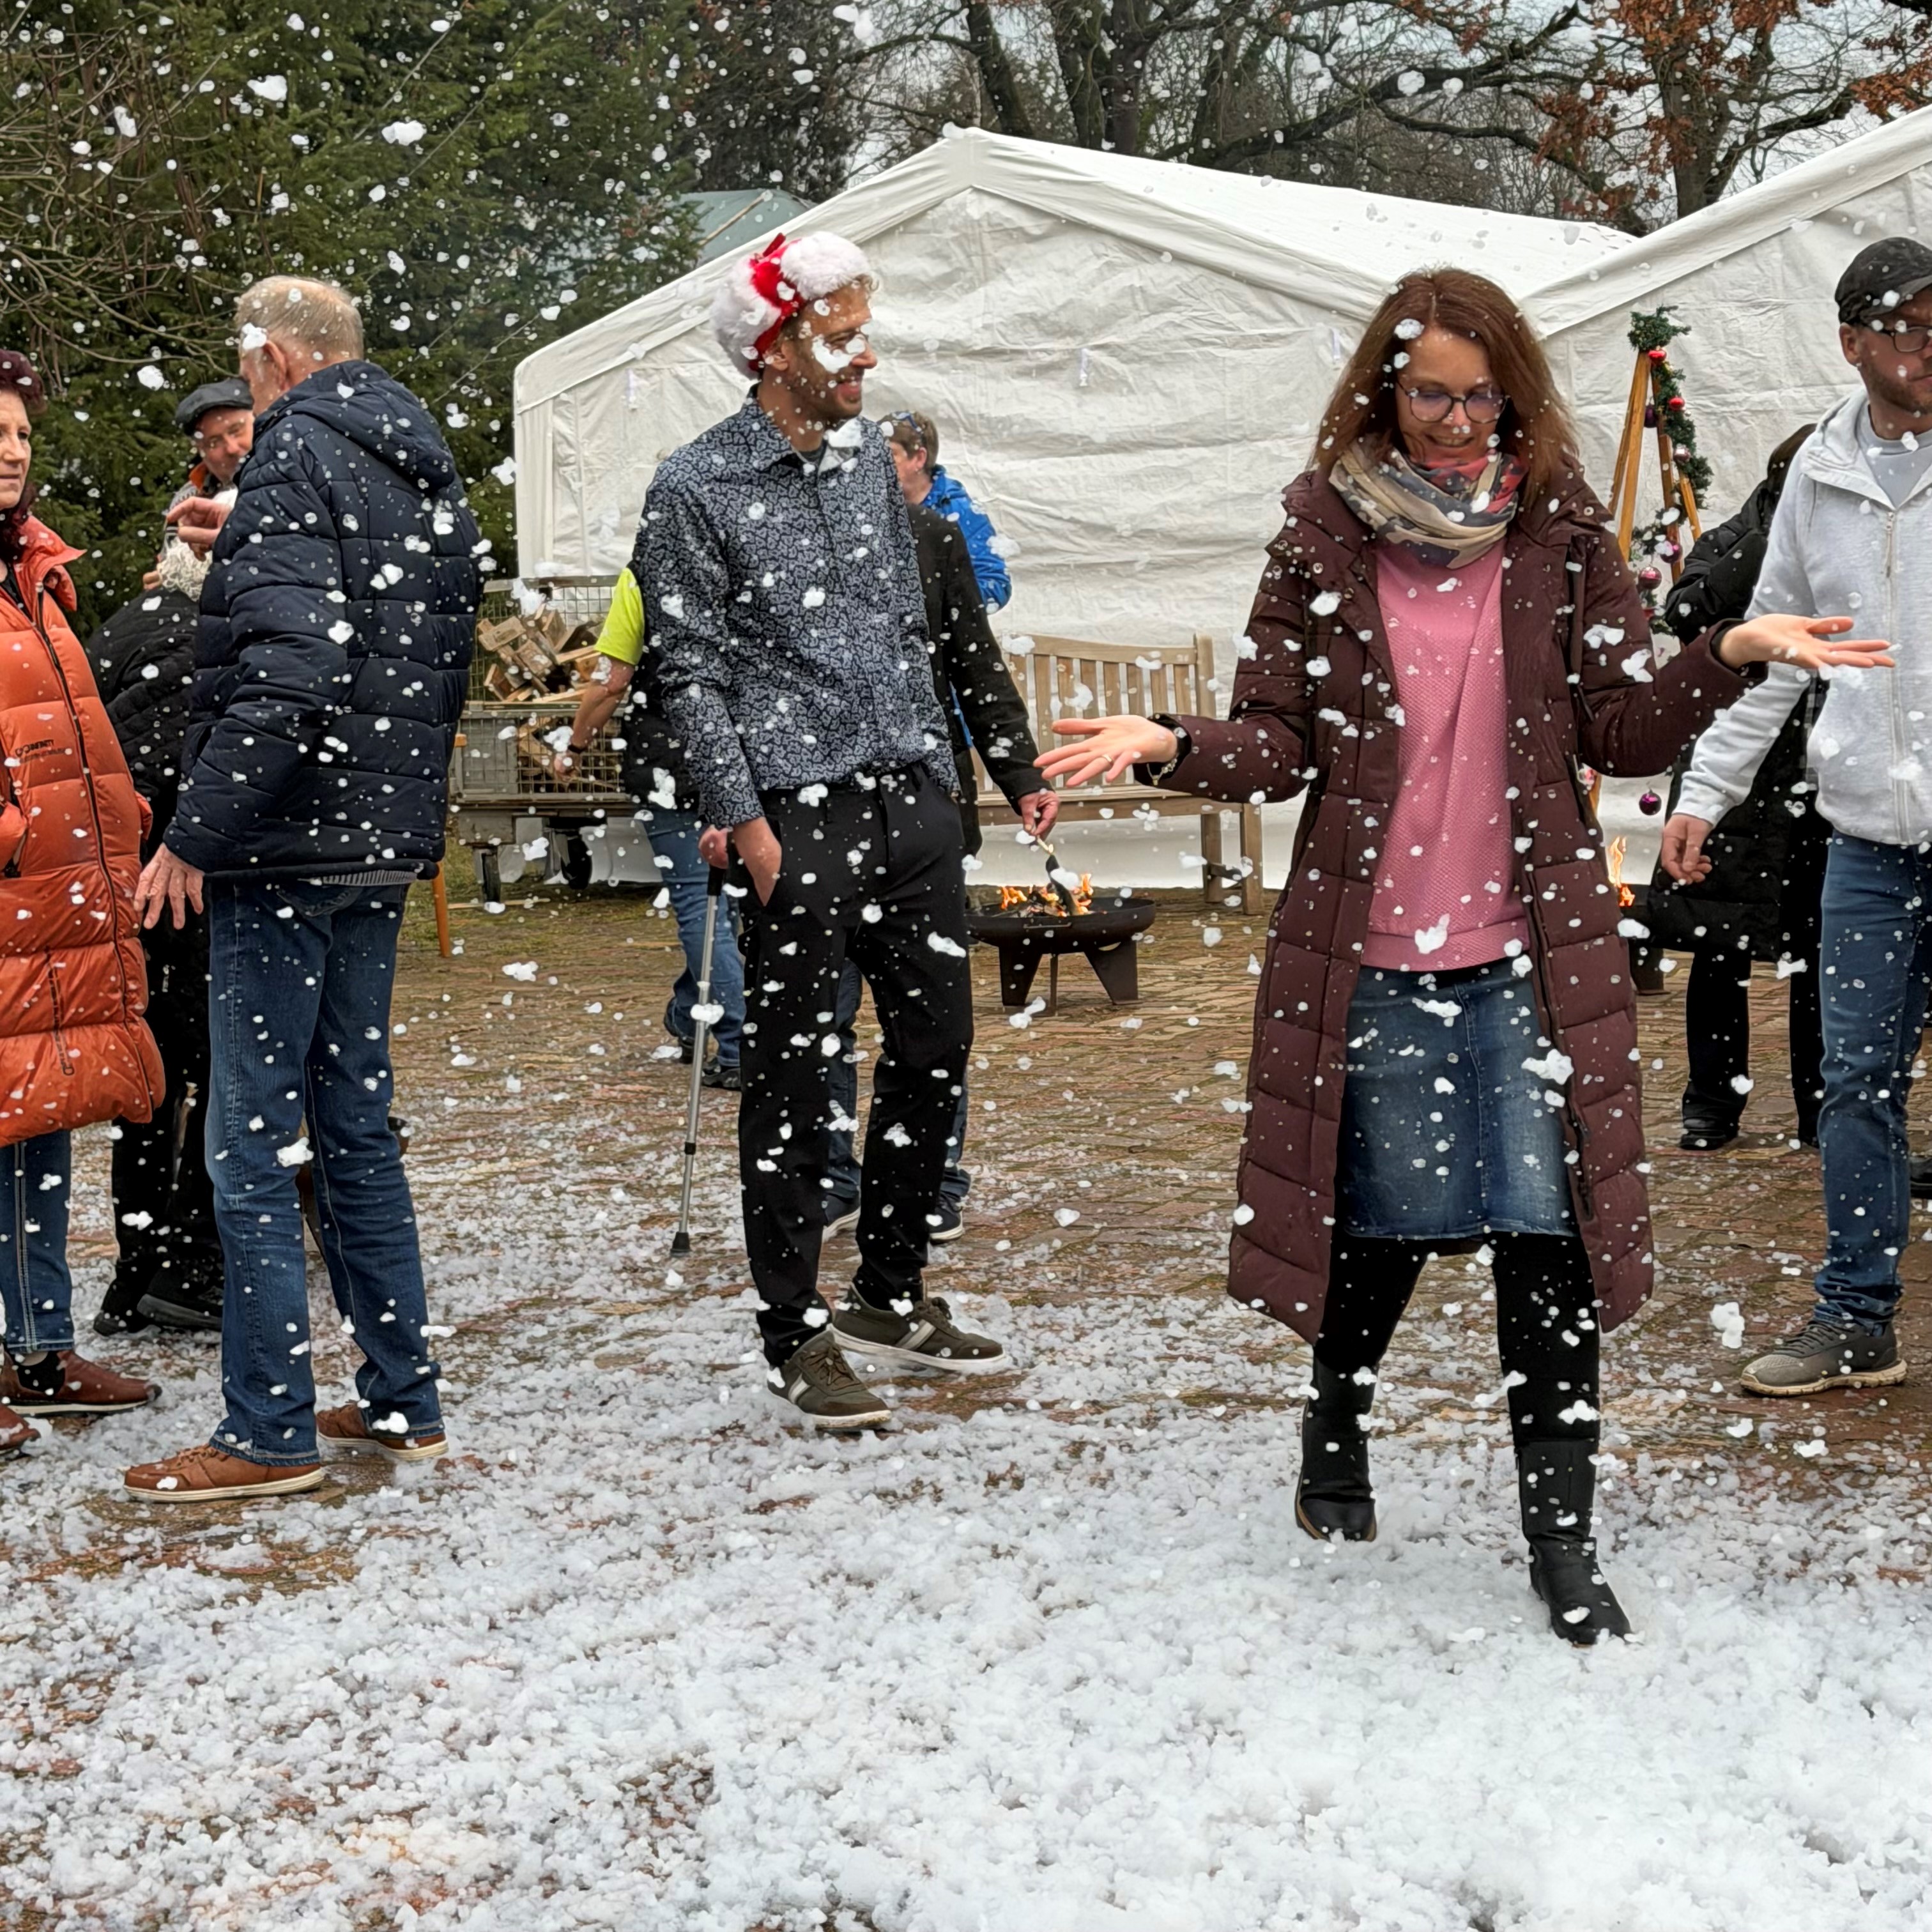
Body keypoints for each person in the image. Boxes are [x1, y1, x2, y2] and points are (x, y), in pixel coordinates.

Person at [1037, 269, 1883, 1643]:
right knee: (1380, 1228)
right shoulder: (1320, 539)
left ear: (1514, 394)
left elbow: (1622, 728)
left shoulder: (1558, 533)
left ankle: (1562, 1544)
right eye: (1429, 390)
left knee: (1541, 1238)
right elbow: (1277, 743)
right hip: (1368, 954)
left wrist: (1730, 650)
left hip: (1525, 956)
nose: (1455, 419)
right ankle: (1335, 1426)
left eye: (1480, 392)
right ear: (1386, 386)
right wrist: (1173, 745)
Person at [121, 277, 482, 1502]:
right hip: (376, 839)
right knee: (354, 1126)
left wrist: (193, 836)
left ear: (272, 357)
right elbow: (403, 636)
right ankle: (399, 1395)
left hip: (283, 847)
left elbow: (291, 670)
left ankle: (267, 1426)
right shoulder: (413, 459)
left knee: (249, 1145)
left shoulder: (289, 460)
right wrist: (247, 551)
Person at [645, 231, 1007, 1431]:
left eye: (864, 328)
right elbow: (683, 671)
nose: (863, 355)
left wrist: (955, 775)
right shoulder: (695, 486)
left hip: (911, 802)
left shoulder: (866, 465)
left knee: (933, 1046)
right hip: (794, 819)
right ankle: (791, 1323)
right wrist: (739, 817)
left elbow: (913, 624)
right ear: (772, 345)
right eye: (838, 332)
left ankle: (889, 1289)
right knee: (799, 1071)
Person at [1662, 237, 1932, 1400]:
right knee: (1853, 1079)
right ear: (1853, 342)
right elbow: (1772, 657)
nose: (1928, 345)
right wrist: (1704, 792)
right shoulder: (1815, 475)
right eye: (1908, 326)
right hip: (1867, 843)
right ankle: (1854, 1316)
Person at [823, 443, 1057, 1239]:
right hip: (812, 815)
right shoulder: (776, 533)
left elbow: (975, 666)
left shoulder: (934, 537)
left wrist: (1019, 774)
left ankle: (932, 1178)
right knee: (824, 1009)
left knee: (928, 1020)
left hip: (926, 809)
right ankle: (829, 1171)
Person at [0, 347, 166, 1458]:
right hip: (13, 889)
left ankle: (38, 1347)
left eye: (19, 435)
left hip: (50, 906)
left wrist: (117, 822)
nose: (11, 452)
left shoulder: (37, 574)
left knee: (41, 1119)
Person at [1646, 426, 1825, 1151]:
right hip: (1741, 776)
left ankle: (1820, 1108)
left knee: (1819, 947)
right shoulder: (1739, 534)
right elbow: (1686, 612)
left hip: (1818, 776)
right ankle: (1712, 1103)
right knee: (1720, 943)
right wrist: (1771, 535)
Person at [88, 510, 239, 1335]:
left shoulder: (121, 628)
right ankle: (188, 1263)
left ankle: (130, 1274)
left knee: (144, 1086)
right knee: (217, 1076)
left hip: (120, 883)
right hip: (194, 882)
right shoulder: (221, 634)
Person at [553, 565, 746, 1088]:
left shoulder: (643, 576)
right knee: (729, 907)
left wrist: (574, 744)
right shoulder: (753, 552)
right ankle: (689, 1015)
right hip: (751, 750)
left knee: (701, 909)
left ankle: (735, 1047)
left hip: (673, 761)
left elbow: (613, 678)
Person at [886, 410, 1011, 611]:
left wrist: (942, 605)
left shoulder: (958, 511)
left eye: (890, 454)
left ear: (919, 458)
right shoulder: (869, 507)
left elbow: (996, 583)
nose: (877, 464)